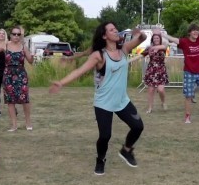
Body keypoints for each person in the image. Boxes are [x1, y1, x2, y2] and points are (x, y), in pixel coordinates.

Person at [49, 23, 146, 176]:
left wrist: (139, 34)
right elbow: (80, 71)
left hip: (122, 101)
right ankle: (100, 159)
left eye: (115, 29)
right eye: (111, 30)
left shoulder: (124, 49)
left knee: (138, 126)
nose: (115, 31)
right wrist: (61, 82)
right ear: (104, 36)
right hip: (103, 103)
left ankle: (126, 150)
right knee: (105, 136)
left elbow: (142, 38)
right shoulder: (99, 55)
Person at [162, 13, 199, 123]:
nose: (196, 32)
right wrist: (164, 35)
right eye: (193, 30)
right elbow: (174, 39)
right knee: (188, 95)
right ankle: (187, 116)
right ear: (189, 32)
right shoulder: (184, 42)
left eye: (197, 30)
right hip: (189, 73)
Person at [142, 32, 169, 113]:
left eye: (157, 38)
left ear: (160, 39)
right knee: (151, 90)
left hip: (161, 70)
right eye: (154, 38)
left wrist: (153, 47)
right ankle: (150, 108)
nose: (156, 39)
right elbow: (141, 55)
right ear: (152, 40)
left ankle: (163, 102)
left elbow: (166, 45)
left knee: (161, 89)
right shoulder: (149, 48)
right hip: (151, 70)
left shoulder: (163, 46)